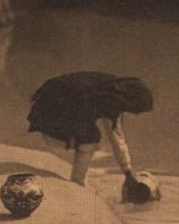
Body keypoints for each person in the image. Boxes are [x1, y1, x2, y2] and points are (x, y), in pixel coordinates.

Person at [27, 71, 158, 202]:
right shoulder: (110, 100)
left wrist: (127, 172)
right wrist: (127, 172)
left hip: (49, 103)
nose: (134, 114)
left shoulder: (110, 88)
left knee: (88, 136)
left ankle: (78, 181)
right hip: (51, 109)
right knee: (91, 138)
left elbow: (115, 138)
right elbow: (116, 139)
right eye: (136, 110)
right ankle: (77, 183)